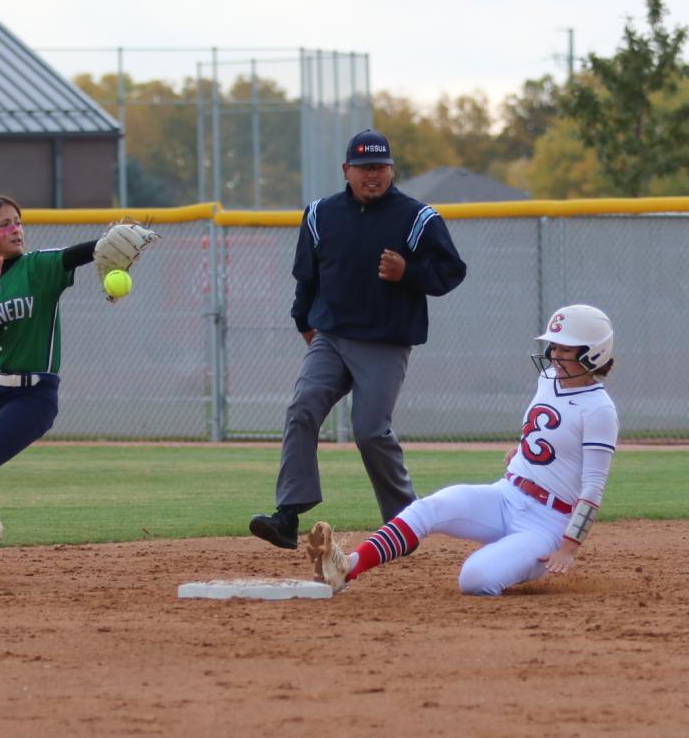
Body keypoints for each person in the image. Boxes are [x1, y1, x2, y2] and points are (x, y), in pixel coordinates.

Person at [248, 130, 469, 550]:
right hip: (330, 337)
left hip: (384, 342)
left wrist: (410, 272)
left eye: (380, 168)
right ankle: (288, 516)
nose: (373, 176)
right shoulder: (319, 215)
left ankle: (405, 522)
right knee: (302, 407)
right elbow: (306, 278)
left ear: (391, 170)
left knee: (369, 430)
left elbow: (451, 271)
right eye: (364, 168)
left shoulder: (417, 218)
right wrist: (304, 323)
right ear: (346, 170)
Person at [305, 304, 619, 598]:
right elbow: (550, 430)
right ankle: (348, 567)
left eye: (566, 349)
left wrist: (568, 547)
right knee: (428, 508)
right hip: (507, 494)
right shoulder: (548, 379)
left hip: (546, 523)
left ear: (593, 354)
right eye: (554, 346)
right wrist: (523, 450)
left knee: (475, 580)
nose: (555, 355)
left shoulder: (599, 410)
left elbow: (593, 488)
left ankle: (517, 561)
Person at [0, 197, 155, 587]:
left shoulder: (38, 267)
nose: (15, 229)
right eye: (4, 225)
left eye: (18, 222)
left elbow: (76, 255)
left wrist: (106, 244)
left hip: (33, 395)